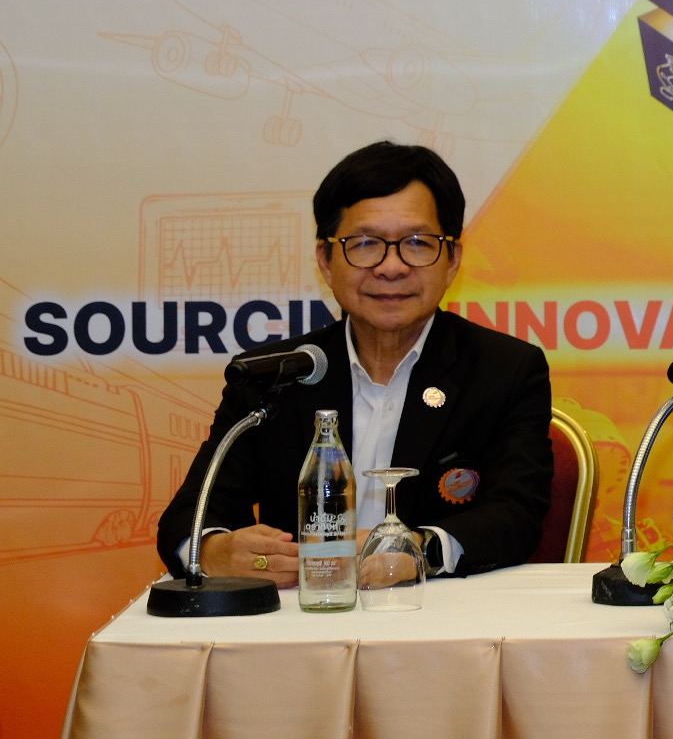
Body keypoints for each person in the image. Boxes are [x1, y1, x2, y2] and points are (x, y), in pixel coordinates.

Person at [156, 142, 553, 584]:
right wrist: (213, 551)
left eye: (417, 243)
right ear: (325, 261)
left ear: (452, 259)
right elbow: (190, 515)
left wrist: (418, 550)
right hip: (302, 612)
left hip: (437, 610)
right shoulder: (274, 376)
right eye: (365, 244)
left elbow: (517, 514)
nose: (391, 267)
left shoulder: (505, 370)